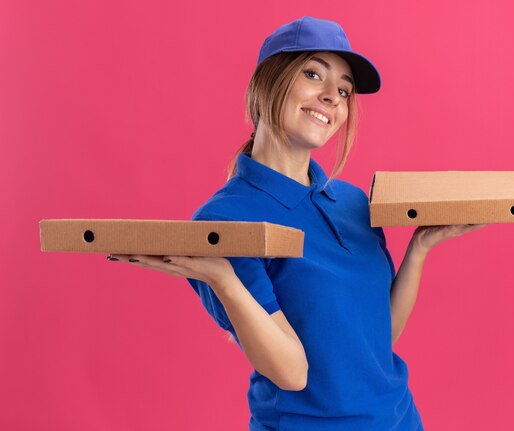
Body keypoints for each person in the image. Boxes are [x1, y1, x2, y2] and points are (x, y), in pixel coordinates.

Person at [109, 16, 487, 431]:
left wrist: (419, 248)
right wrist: (224, 279)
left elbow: (378, 340)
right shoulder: (225, 221)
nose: (332, 98)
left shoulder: (354, 202)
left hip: (398, 420)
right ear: (267, 84)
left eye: (343, 91)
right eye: (313, 74)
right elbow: (291, 373)